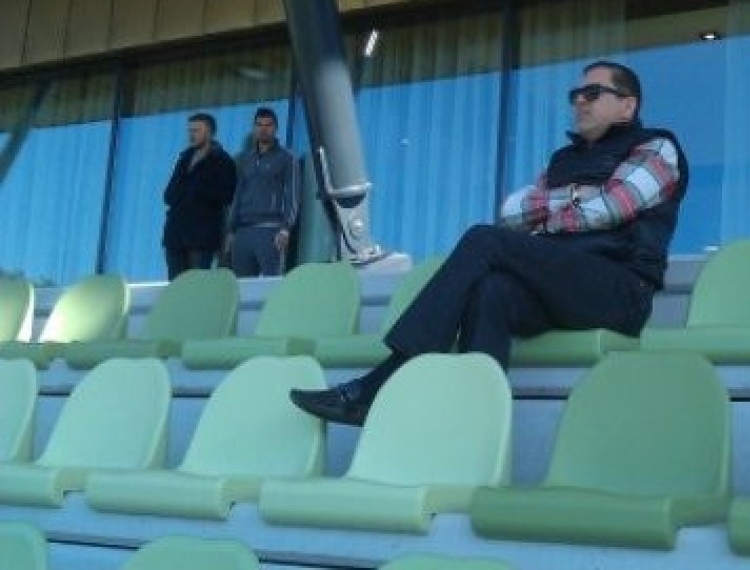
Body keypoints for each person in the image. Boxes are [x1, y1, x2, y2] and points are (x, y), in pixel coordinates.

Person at [291, 61, 688, 426]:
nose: (579, 102)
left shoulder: (656, 148)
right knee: (491, 290)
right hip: (563, 284)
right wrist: (571, 197)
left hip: (619, 288)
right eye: (575, 95)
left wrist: (548, 210)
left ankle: (383, 381)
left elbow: (610, 208)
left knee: (485, 240)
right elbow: (512, 212)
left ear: (627, 106)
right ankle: (474, 424)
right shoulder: (563, 160)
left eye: (592, 93)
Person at [162, 112, 237, 280]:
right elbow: (168, 195)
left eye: (196, 130)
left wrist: (198, 191)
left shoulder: (222, 161)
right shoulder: (184, 158)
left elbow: (227, 195)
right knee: (175, 285)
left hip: (201, 237)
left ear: (209, 133)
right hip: (175, 234)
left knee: (196, 284)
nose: (191, 135)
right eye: (190, 130)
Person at [226, 107, 299, 277]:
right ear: (254, 128)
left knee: (272, 284)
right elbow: (236, 195)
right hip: (243, 231)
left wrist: (286, 228)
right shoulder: (243, 159)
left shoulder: (287, 159)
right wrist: (231, 229)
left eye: (268, 125)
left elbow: (293, 195)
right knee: (242, 285)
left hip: (271, 231)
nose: (263, 129)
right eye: (259, 125)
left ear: (275, 128)